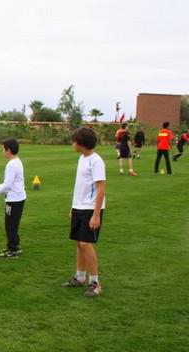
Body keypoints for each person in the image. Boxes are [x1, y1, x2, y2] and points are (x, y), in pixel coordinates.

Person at [61, 127, 105, 298]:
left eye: (74, 141)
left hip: (90, 208)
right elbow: (80, 187)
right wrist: (73, 207)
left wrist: (96, 214)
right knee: (79, 243)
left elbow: (101, 188)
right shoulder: (82, 159)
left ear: (82, 143)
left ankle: (95, 282)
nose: (73, 144)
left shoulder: (96, 161)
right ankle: (80, 277)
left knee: (86, 243)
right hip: (79, 207)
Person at [0, 138, 26, 258]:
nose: (2, 151)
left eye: (3, 149)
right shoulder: (17, 161)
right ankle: (15, 246)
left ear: (8, 150)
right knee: (13, 224)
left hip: (14, 200)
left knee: (10, 226)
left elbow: (8, 185)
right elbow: (10, 182)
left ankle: (12, 250)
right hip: (19, 198)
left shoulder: (11, 165)